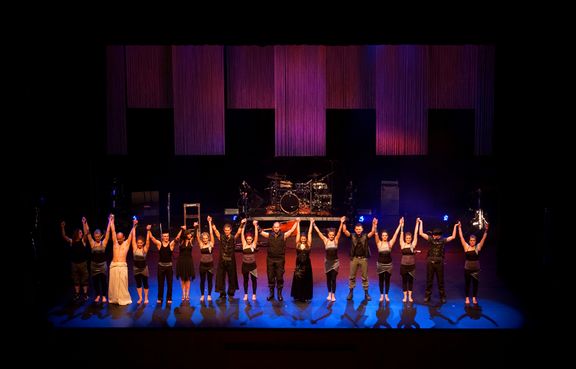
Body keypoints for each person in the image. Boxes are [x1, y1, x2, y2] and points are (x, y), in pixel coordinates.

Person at [418, 218, 459, 303]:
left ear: (439, 235)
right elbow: (421, 233)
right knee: (429, 280)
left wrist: (455, 226)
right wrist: (421, 222)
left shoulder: (443, 240)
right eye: (433, 234)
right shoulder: (431, 239)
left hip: (439, 263)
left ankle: (442, 297)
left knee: (440, 281)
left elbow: (453, 237)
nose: (434, 236)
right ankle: (427, 296)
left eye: (435, 235)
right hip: (430, 262)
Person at [259, 218, 299, 301]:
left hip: (280, 260)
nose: (276, 228)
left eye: (277, 227)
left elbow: (291, 231)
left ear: (280, 228)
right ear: (273, 228)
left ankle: (279, 294)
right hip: (270, 259)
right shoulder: (269, 235)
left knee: (280, 277)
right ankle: (271, 294)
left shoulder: (284, 235)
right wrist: (256, 225)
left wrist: (296, 222)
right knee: (270, 277)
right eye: (275, 227)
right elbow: (260, 232)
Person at [342, 218, 377, 301]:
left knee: (365, 277)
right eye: (357, 229)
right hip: (354, 259)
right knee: (352, 276)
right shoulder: (352, 236)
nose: (358, 230)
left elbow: (372, 232)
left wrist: (374, 224)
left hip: (363, 259)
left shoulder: (365, 236)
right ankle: (350, 292)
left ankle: (366, 293)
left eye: (359, 229)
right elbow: (345, 231)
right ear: (355, 229)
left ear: (362, 229)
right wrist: (343, 222)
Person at [313, 216, 345, 302]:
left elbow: (339, 232)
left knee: (333, 279)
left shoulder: (336, 240)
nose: (331, 236)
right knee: (328, 279)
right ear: (328, 235)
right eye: (330, 235)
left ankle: (333, 295)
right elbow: (319, 233)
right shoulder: (325, 240)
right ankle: (329, 294)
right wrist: (314, 224)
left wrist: (341, 222)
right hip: (327, 263)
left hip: (335, 263)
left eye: (333, 235)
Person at [83, 215, 112, 303]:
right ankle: (98, 295)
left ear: (101, 236)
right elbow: (88, 233)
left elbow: (107, 232)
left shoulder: (104, 242)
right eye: (96, 236)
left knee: (103, 281)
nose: (97, 238)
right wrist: (85, 223)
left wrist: (110, 221)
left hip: (102, 265)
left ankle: (103, 296)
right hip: (94, 265)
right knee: (95, 281)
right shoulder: (92, 243)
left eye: (98, 236)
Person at [150, 226, 182, 305]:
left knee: (169, 283)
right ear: (162, 237)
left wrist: (181, 229)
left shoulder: (171, 245)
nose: (166, 237)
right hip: (160, 267)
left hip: (169, 267)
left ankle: (169, 298)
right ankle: (160, 298)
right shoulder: (159, 244)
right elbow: (152, 238)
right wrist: (148, 230)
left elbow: (177, 238)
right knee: (160, 283)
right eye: (164, 236)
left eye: (167, 236)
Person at [458, 222, 489, 305]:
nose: (472, 242)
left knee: (475, 284)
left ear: (475, 241)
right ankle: (467, 298)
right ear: (469, 241)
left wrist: (486, 230)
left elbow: (483, 238)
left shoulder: (478, 247)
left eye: (473, 240)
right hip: (467, 269)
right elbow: (461, 237)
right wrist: (459, 228)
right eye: (471, 240)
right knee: (467, 284)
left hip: (476, 269)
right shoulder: (466, 246)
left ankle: (474, 297)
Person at [211, 217, 241, 302]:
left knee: (232, 276)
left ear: (230, 230)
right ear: (224, 230)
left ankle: (231, 292)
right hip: (222, 261)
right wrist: (211, 221)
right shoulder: (221, 237)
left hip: (231, 261)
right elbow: (215, 230)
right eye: (225, 230)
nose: (227, 231)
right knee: (221, 277)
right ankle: (222, 293)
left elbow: (239, 232)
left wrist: (242, 223)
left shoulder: (233, 238)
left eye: (228, 230)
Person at [374, 218, 402, 302]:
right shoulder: (379, 243)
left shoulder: (390, 243)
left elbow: (396, 234)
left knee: (387, 280)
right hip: (380, 265)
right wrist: (375, 225)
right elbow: (375, 234)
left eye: (386, 235)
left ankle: (386, 295)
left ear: (387, 236)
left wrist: (400, 225)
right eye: (383, 235)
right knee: (381, 280)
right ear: (381, 236)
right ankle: (381, 295)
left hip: (389, 265)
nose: (384, 237)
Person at [108, 216, 135, 305]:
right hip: (114, 265)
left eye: (120, 238)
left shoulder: (126, 243)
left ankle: (123, 298)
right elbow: (113, 231)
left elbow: (131, 235)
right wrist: (111, 221)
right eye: (117, 238)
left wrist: (134, 225)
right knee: (114, 284)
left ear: (123, 237)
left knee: (123, 283)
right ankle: (114, 299)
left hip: (122, 265)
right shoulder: (115, 243)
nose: (118, 239)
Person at [61, 219, 89, 302]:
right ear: (76, 234)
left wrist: (83, 223)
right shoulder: (71, 241)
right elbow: (64, 236)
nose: (81, 234)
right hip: (74, 264)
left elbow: (86, 233)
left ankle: (85, 294)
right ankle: (77, 294)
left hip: (83, 263)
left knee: (84, 279)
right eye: (80, 233)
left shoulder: (83, 241)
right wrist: (62, 227)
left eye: (81, 233)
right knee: (76, 280)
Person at [290, 219, 314, 302]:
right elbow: (298, 232)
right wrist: (297, 223)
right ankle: (298, 296)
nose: (303, 238)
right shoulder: (298, 244)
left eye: (304, 237)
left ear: (306, 238)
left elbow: (310, 233)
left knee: (306, 280)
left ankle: (305, 296)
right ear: (300, 238)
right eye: (302, 237)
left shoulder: (309, 244)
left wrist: (311, 223)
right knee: (298, 279)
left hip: (307, 265)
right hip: (299, 265)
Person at [399, 218, 419, 303]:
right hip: (403, 266)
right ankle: (405, 296)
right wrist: (402, 226)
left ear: (411, 239)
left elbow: (416, 233)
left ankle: (410, 296)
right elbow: (401, 234)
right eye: (407, 238)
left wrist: (417, 223)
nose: (408, 239)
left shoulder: (413, 245)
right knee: (404, 281)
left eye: (409, 238)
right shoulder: (402, 244)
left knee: (410, 281)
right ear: (405, 238)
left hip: (411, 266)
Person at [176, 223, 197, 302]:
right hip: (181, 261)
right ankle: (183, 294)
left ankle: (187, 294)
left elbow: (194, 235)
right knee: (182, 279)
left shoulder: (191, 241)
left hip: (188, 261)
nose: (190, 235)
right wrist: (182, 229)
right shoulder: (181, 242)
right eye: (188, 234)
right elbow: (178, 237)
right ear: (185, 235)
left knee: (187, 278)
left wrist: (195, 227)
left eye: (190, 234)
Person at [132, 224, 152, 304]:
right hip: (136, 269)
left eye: (141, 243)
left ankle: (146, 297)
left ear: (143, 243)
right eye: (138, 243)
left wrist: (148, 231)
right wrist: (134, 227)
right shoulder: (134, 248)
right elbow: (133, 238)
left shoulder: (145, 249)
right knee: (138, 283)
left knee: (145, 283)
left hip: (144, 269)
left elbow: (148, 241)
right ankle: (140, 298)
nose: (139, 244)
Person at [197, 217, 215, 302]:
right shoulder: (201, 244)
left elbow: (211, 233)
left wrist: (209, 222)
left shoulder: (211, 244)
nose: (204, 240)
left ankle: (209, 295)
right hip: (202, 265)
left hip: (210, 265)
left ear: (208, 239)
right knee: (202, 280)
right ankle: (202, 295)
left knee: (209, 280)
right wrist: (196, 227)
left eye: (206, 238)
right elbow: (197, 235)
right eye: (203, 238)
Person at [240, 219, 259, 301]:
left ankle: (254, 294)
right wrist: (244, 225)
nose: (249, 240)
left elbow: (256, 236)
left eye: (250, 239)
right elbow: (242, 234)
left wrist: (255, 226)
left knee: (254, 280)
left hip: (253, 266)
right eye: (247, 239)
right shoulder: (244, 244)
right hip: (245, 266)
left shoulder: (254, 244)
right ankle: (246, 294)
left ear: (252, 239)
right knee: (245, 280)